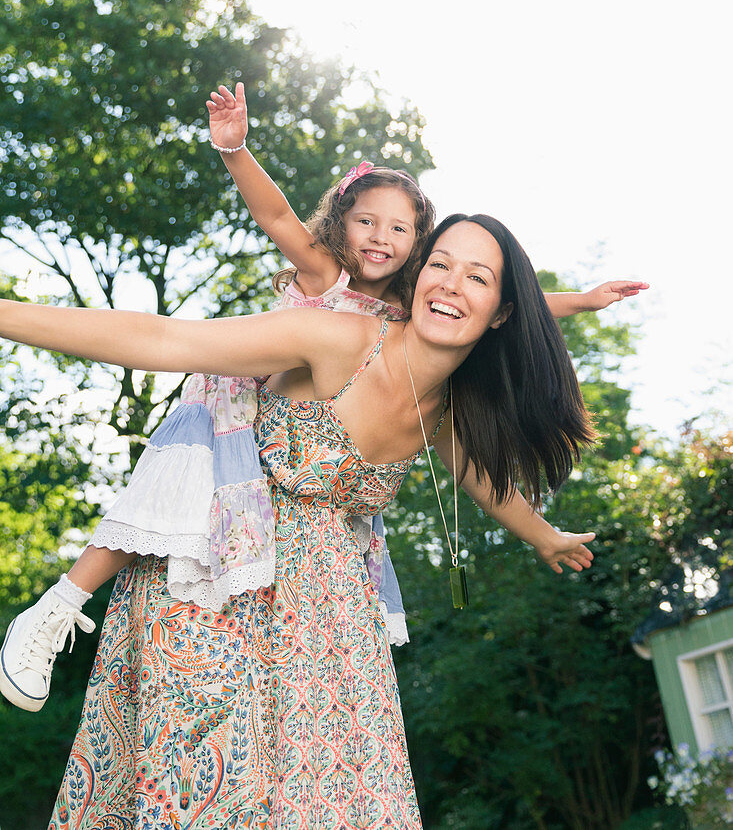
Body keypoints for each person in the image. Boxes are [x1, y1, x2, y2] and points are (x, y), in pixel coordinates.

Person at [2, 213, 600, 826]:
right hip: (223, 574)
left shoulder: (445, 410)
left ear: (501, 312)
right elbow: (163, 339)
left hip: (329, 614)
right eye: (440, 265)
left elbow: (483, 480)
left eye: (477, 276)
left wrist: (544, 536)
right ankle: (54, 608)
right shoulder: (341, 340)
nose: (449, 284)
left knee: (343, 796)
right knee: (208, 787)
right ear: (417, 278)